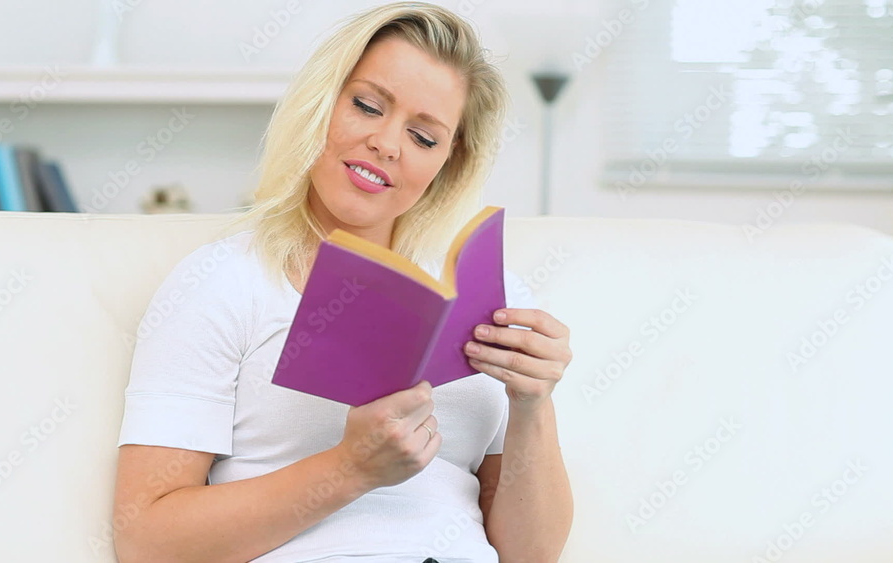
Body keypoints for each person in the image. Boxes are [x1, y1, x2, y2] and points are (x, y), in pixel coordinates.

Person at [112, 3, 574, 562]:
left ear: (448, 164)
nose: (387, 144)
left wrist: (533, 404)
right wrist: (349, 469)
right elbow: (146, 541)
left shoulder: (492, 300)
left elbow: (531, 555)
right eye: (367, 106)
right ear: (321, 103)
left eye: (423, 138)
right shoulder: (221, 282)